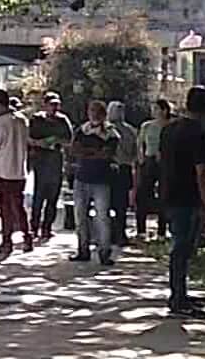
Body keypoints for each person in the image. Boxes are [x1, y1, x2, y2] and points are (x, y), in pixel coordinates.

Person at [161, 87, 205, 317]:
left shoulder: (169, 130)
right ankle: (178, 298)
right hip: (188, 196)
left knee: (180, 246)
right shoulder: (198, 134)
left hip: (169, 192)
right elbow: (202, 173)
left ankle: (179, 292)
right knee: (182, 247)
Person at [71, 99, 119, 264]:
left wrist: (88, 152)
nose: (93, 114)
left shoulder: (111, 133)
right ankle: (82, 250)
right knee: (80, 216)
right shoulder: (82, 130)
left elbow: (106, 154)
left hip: (101, 180)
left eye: (97, 111)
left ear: (104, 114)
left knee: (102, 217)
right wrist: (94, 152)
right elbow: (74, 150)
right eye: (91, 111)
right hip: (81, 178)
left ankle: (104, 252)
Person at [0, 89, 34, 254]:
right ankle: (27, 236)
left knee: (5, 207)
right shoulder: (22, 119)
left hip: (4, 169)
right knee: (19, 206)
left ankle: (7, 240)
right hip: (20, 168)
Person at [28, 91, 73, 238]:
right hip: (41, 161)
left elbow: (69, 140)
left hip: (56, 161)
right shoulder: (37, 119)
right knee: (38, 196)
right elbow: (29, 138)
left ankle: (47, 227)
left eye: (56, 105)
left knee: (53, 197)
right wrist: (39, 143)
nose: (54, 108)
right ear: (45, 105)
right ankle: (33, 226)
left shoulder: (62, 120)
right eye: (51, 104)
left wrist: (57, 141)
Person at [138, 97, 172, 239]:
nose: (154, 111)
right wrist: (141, 158)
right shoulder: (147, 126)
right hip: (149, 160)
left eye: (157, 109)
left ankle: (162, 231)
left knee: (164, 194)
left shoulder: (171, 125)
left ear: (164, 111)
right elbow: (140, 143)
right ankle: (141, 229)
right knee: (143, 194)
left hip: (165, 162)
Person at [107, 100, 139, 248]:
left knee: (117, 205)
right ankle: (114, 234)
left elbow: (135, 153)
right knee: (114, 205)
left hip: (118, 169)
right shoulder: (130, 131)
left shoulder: (107, 129)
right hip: (115, 168)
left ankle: (116, 234)